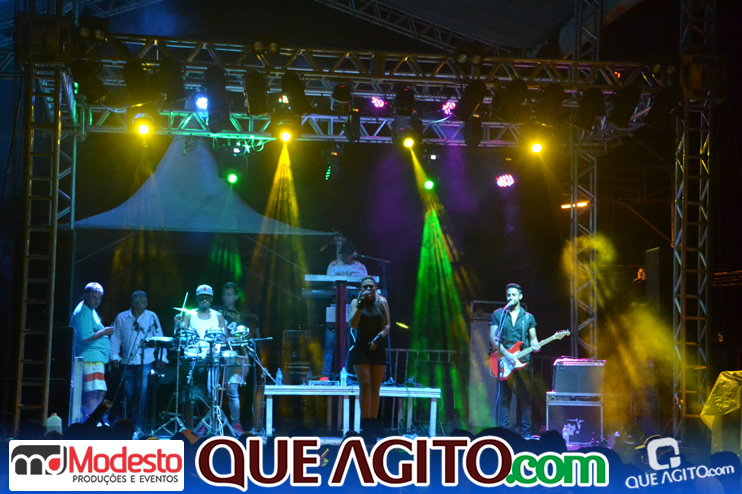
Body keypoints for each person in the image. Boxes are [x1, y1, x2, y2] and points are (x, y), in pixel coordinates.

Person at [109, 290, 168, 432]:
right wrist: (114, 356)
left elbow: (159, 337)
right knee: (128, 395)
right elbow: (115, 338)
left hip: (145, 362)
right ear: (134, 303)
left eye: (146, 301)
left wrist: (162, 357)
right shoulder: (122, 317)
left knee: (141, 394)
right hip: (127, 362)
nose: (146, 304)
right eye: (142, 301)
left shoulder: (152, 316)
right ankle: (127, 424)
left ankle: (137, 426)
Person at [489, 283, 540, 439]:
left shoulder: (528, 317)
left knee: (525, 399)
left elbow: (533, 339)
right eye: (508, 295)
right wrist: (507, 354)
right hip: (504, 361)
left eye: (514, 295)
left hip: (523, 362)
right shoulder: (499, 314)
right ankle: (504, 434)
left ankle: (526, 434)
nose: (510, 297)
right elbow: (493, 338)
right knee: (505, 399)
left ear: (520, 296)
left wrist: (536, 346)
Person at [212, 281, 262, 435]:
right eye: (224, 294)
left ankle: (236, 422)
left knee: (232, 390)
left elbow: (243, 342)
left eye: (229, 295)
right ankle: (213, 421)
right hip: (216, 353)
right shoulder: (215, 312)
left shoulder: (240, 316)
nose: (226, 298)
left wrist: (246, 361)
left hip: (233, 356)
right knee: (213, 389)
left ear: (235, 297)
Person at [348, 276, 390, 443]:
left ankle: (372, 426)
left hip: (377, 346)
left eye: (371, 287)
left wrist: (378, 339)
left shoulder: (382, 302)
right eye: (365, 287)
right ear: (361, 289)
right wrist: (360, 304)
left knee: (375, 388)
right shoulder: (355, 302)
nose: (368, 289)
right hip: (361, 348)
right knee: (365, 386)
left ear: (376, 288)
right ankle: (366, 426)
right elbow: (353, 324)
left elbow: (387, 325)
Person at [179, 284, 226, 432]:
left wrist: (215, 348)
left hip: (212, 359)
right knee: (188, 393)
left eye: (207, 297)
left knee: (211, 394)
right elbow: (181, 334)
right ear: (197, 298)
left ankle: (206, 426)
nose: (204, 300)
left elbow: (224, 338)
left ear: (211, 299)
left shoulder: (218, 316)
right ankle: (189, 428)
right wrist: (177, 325)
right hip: (192, 358)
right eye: (201, 297)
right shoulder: (189, 315)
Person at [323, 241, 368, 376]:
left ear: (354, 253)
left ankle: (351, 374)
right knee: (330, 342)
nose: (346, 257)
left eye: (349, 254)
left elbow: (366, 287)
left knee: (353, 342)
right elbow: (328, 284)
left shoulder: (361, 268)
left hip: (354, 308)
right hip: (335, 306)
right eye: (344, 254)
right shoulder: (333, 265)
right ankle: (325, 374)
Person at [71, 282, 114, 422]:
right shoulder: (83, 312)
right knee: (93, 392)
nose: (97, 301)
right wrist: (104, 332)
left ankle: (94, 420)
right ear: (86, 295)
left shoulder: (90, 310)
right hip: (90, 358)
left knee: (100, 391)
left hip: (96, 359)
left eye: (99, 298)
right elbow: (85, 337)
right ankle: (91, 423)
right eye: (94, 297)